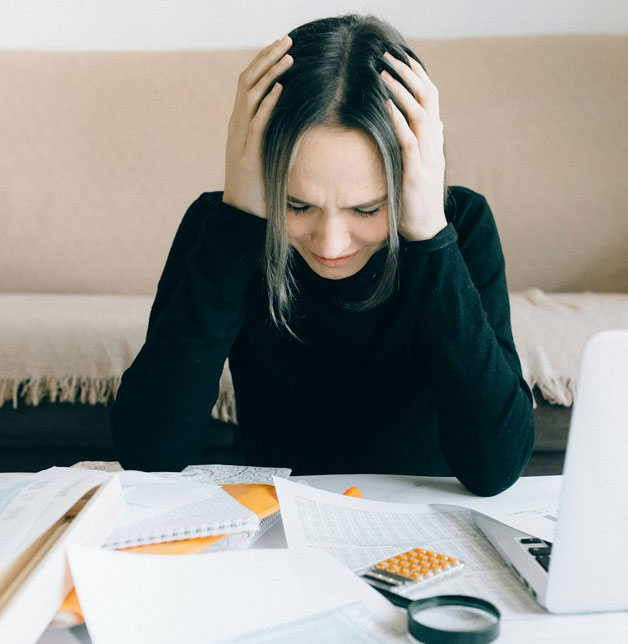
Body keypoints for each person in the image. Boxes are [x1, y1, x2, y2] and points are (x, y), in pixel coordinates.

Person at [111, 14, 535, 496]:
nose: (331, 244)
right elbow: (148, 456)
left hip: (423, 526)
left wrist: (429, 236)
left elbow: (496, 468)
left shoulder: (461, 225)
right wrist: (239, 220)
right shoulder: (223, 226)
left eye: (367, 208)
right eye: (297, 204)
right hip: (276, 529)